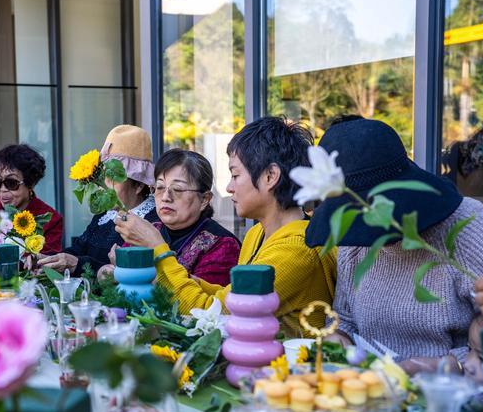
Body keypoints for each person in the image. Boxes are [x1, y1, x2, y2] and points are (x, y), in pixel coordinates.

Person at [115, 117, 336, 338]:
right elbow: (232, 298)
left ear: (270, 176)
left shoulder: (296, 249)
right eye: (160, 188)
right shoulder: (257, 233)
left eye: (235, 175)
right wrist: (195, 282)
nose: (229, 187)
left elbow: (216, 317)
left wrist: (158, 248)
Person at [305, 117, 483, 375]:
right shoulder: (354, 240)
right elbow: (343, 318)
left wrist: (447, 365)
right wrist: (338, 339)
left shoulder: (472, 230)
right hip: (372, 387)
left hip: (452, 390)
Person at [99, 149, 240, 285]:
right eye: (160, 187)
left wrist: (125, 272)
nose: (165, 197)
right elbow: (107, 274)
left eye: (177, 189)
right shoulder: (150, 229)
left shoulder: (224, 245)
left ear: (204, 199)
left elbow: (197, 299)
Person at [37, 125, 158, 276]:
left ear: (139, 185)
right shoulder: (104, 216)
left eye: (112, 178)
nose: (102, 186)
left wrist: (79, 264)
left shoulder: (152, 223)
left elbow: (135, 274)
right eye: (101, 177)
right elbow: (76, 251)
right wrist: (43, 259)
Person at [0, 144, 63, 254]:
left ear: (30, 184)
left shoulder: (51, 220)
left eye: (11, 183)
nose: (2, 189)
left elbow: (49, 260)